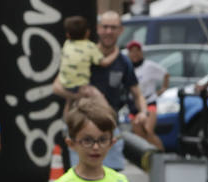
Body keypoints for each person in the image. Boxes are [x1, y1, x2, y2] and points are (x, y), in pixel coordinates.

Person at [53, 12, 147, 173]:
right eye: (105, 27)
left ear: (121, 30)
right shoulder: (82, 53)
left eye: (113, 27)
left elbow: (137, 93)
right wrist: (81, 95)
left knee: (112, 176)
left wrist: (143, 112)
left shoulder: (124, 62)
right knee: (82, 178)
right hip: (80, 125)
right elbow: (56, 87)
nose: (109, 31)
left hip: (108, 126)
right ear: (97, 29)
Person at [126, 41, 169, 150]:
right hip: (134, 105)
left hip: (149, 101)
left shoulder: (148, 66)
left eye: (137, 51)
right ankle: (149, 158)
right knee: (139, 135)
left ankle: (161, 154)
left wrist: (163, 89)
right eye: (132, 51)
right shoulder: (127, 68)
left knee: (148, 131)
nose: (134, 54)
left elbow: (165, 74)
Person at [58, 16, 99, 94]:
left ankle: (68, 105)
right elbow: (104, 62)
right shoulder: (90, 46)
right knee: (99, 97)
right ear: (87, 32)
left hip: (65, 84)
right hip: (82, 86)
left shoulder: (67, 44)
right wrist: (116, 52)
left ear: (68, 35)